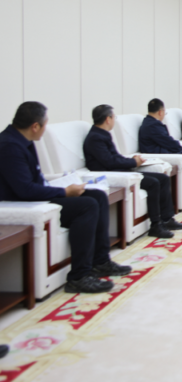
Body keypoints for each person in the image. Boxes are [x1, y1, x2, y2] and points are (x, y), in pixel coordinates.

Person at [0, 102, 131, 293]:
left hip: (36, 195)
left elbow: (35, 181)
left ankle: (101, 261)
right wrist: (64, 192)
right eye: (45, 124)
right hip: (24, 203)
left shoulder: (23, 140)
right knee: (87, 205)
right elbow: (25, 191)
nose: (45, 129)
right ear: (35, 126)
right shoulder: (9, 146)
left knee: (98, 196)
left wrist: (62, 187)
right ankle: (79, 276)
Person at [83, 104, 182, 239]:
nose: (114, 120)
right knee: (153, 183)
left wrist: (132, 160)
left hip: (121, 170)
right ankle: (155, 225)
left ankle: (167, 219)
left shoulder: (102, 134)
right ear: (108, 119)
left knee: (163, 178)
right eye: (114, 117)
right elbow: (109, 162)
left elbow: (115, 157)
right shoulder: (95, 138)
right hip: (113, 175)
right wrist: (133, 163)